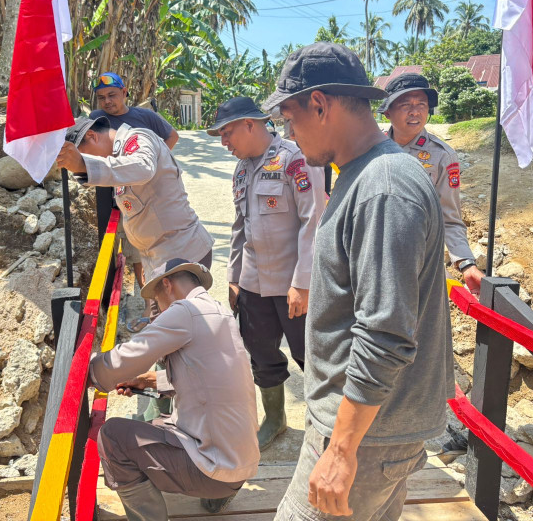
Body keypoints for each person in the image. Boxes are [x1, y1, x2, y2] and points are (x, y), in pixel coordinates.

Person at [264, 43, 453, 520]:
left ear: (320, 105)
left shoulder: (383, 187)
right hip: (373, 433)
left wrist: (342, 450)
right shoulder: (362, 176)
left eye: (289, 119)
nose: (288, 133)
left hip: (367, 439)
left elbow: (386, 333)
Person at [89, 258, 260, 521]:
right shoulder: (218, 311)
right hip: (240, 462)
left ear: (166, 285)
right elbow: (208, 377)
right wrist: (148, 381)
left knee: (112, 437)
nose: (158, 310)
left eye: (157, 302)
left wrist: (90, 372)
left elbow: (134, 354)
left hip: (215, 470)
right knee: (158, 424)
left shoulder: (184, 311)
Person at [207, 96, 325, 451]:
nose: (224, 142)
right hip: (254, 285)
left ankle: (328, 427)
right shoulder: (242, 169)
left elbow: (314, 222)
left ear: (249, 124)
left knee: (313, 356)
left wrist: (302, 283)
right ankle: (275, 419)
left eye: (227, 133)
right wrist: (233, 276)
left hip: (294, 286)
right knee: (261, 354)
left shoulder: (294, 159)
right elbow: (239, 226)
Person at [56, 116, 213, 278]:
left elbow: (143, 168)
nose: (85, 162)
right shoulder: (119, 158)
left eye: (82, 155)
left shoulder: (138, 138)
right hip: (160, 258)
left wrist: (83, 164)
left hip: (181, 255)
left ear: (92, 136)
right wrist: (149, 262)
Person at [379, 73, 485, 294]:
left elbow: (450, 218)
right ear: (388, 112)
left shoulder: (442, 157)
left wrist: (466, 263)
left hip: (420, 264)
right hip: (374, 258)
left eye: (421, 104)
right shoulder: (370, 148)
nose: (415, 111)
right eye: (406, 104)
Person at [90, 72, 179, 306]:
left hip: (151, 199)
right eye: (101, 97)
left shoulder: (145, 117)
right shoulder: (97, 119)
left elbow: (172, 136)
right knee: (136, 253)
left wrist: (155, 166)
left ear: (124, 92)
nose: (107, 101)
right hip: (118, 199)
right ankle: (151, 303)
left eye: (112, 95)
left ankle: (161, 303)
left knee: (154, 249)